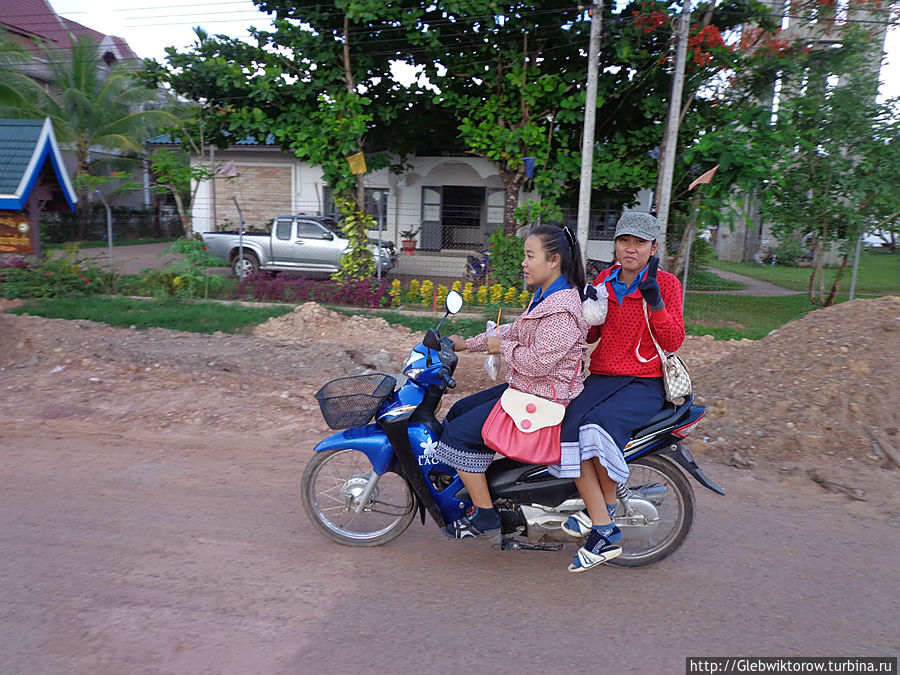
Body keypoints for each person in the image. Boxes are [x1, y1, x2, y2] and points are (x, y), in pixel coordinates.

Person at [435, 225, 590, 539]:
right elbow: (515, 331)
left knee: (456, 434)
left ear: (554, 261)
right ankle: (476, 486)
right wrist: (468, 343)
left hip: (545, 396)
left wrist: (501, 348)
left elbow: (536, 362)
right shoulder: (547, 297)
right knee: (459, 410)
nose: (524, 262)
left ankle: (486, 515)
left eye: (530, 256)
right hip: (528, 388)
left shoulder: (563, 310)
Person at [558, 212, 685, 571]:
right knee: (566, 426)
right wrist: (585, 309)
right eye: (625, 241)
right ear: (615, 244)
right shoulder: (605, 280)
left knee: (597, 426)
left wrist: (655, 301)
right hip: (603, 376)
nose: (631, 249)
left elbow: (673, 340)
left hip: (645, 382)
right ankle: (601, 513)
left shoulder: (667, 284)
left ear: (654, 248)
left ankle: (604, 525)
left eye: (640, 243)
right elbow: (593, 336)